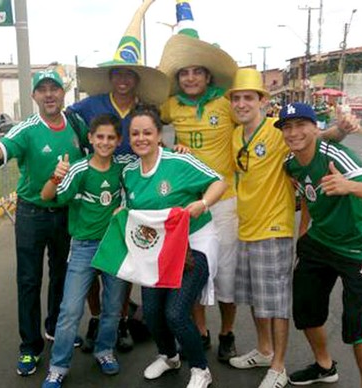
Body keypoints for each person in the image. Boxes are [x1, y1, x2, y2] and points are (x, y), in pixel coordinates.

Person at [226, 69, 358, 388]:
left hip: (274, 229)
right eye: (237, 98)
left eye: (249, 97)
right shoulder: (234, 135)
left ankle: (279, 365)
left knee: (276, 302)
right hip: (246, 226)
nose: (242, 104)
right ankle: (263, 348)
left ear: (262, 100)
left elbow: (314, 138)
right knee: (258, 298)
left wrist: (340, 129)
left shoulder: (276, 133)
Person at [67, 0, 170, 353]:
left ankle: (121, 317)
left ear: (136, 79)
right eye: (118, 74)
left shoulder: (146, 110)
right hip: (96, 189)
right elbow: (64, 126)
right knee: (93, 260)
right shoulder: (88, 105)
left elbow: (161, 137)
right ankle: (97, 319)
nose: (123, 80)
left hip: (134, 189)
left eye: (130, 75)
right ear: (110, 77)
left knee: (125, 258)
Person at [0, 69, 87, 377]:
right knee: (29, 280)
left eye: (54, 88)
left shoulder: (77, 124)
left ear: (63, 93)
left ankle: (54, 328)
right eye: (43, 90)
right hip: (32, 214)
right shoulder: (26, 130)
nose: (49, 94)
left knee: (62, 275)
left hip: (66, 213)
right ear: (34, 96)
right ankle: (30, 347)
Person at [277, 102, 362, 388]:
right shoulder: (291, 164)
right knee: (306, 310)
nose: (294, 133)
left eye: (301, 125)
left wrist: (349, 186)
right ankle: (324, 366)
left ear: (315, 128)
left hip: (359, 247)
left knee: (359, 324)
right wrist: (303, 233)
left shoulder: (337, 155)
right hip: (320, 242)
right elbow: (307, 195)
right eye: (287, 127)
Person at [157, 0, 240, 362]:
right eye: (184, 72)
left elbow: (256, 129)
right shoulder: (171, 105)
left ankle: (227, 333)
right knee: (193, 272)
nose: (190, 78)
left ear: (208, 76)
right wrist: (165, 145)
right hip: (188, 205)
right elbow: (143, 119)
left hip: (225, 201)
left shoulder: (226, 104)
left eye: (197, 72)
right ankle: (201, 332)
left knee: (226, 277)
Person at [123, 105, 227, 388]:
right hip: (157, 251)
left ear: (159, 135)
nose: (141, 138)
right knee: (153, 313)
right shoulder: (129, 172)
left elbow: (219, 181)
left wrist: (203, 203)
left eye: (147, 132)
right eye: (135, 133)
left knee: (176, 313)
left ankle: (201, 369)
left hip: (195, 245)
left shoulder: (178, 162)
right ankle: (169, 356)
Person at [39, 114, 129, 388]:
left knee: (113, 307)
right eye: (99, 137)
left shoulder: (124, 167)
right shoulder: (78, 170)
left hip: (114, 246)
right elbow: (46, 196)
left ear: (119, 141)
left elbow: (153, 161)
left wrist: (178, 148)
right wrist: (56, 176)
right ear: (90, 138)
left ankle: (104, 350)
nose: (105, 142)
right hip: (83, 247)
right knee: (70, 310)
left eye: (111, 137)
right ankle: (58, 366)